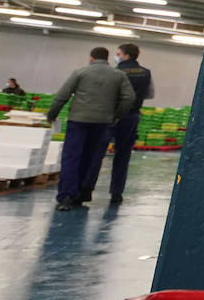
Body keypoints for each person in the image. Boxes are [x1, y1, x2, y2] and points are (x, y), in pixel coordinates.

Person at [45, 46, 134, 212]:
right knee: (93, 158)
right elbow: (129, 98)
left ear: (91, 58)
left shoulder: (80, 72)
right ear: (107, 58)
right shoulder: (119, 75)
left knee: (71, 157)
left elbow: (62, 96)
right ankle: (83, 194)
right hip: (103, 122)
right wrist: (116, 115)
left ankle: (66, 196)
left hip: (78, 121)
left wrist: (51, 115)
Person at [79, 43, 154, 205]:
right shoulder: (146, 73)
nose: (116, 57)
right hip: (132, 117)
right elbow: (149, 94)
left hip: (110, 116)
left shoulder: (115, 72)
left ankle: (86, 189)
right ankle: (116, 193)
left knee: (97, 153)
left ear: (126, 56)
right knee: (123, 155)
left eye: (118, 54)